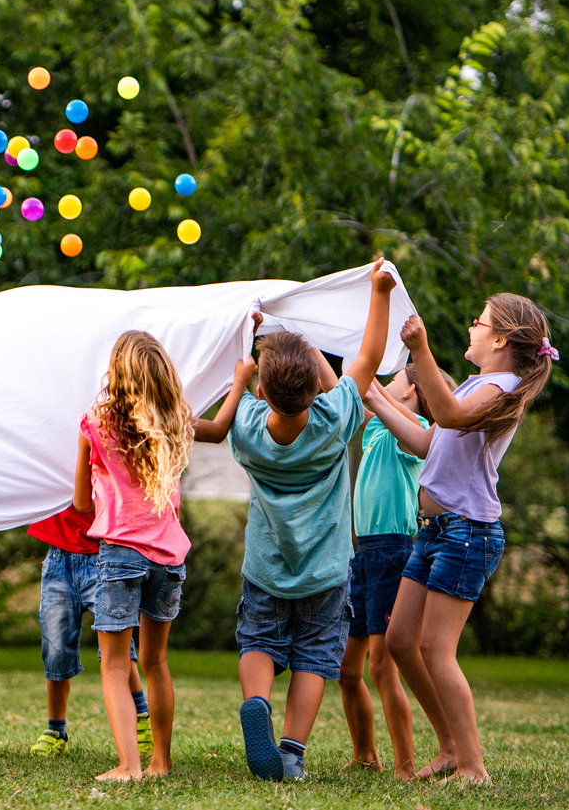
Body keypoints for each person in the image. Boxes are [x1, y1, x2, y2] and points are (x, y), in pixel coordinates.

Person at [373, 294, 556, 784]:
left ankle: (473, 766)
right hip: (434, 531)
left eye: (479, 321)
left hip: (467, 532)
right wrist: (371, 393)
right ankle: (450, 748)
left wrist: (420, 350)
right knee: (400, 641)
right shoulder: (480, 383)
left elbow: (449, 415)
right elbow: (426, 439)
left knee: (435, 648)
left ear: (499, 339)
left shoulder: (502, 388)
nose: (471, 326)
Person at [230, 259, 395, 782]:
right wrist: (379, 291)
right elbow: (365, 359)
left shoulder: (247, 428)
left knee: (258, 641)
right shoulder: (331, 421)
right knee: (316, 656)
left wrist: (246, 337)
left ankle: (257, 701)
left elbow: (241, 388)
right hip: (325, 571)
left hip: (266, 568)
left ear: (262, 390)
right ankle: (292, 751)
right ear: (314, 391)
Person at [77, 330, 256, 781]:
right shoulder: (175, 422)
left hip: (120, 555)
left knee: (116, 665)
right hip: (168, 559)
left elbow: (81, 504)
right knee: (155, 662)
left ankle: (129, 766)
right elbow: (216, 431)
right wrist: (240, 381)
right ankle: (160, 761)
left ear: (118, 376)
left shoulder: (96, 426)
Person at [338, 365, 455, 780]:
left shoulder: (418, 427)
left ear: (411, 394)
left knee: (383, 667)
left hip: (393, 551)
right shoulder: (374, 431)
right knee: (347, 670)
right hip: (364, 554)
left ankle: (405, 767)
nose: (383, 387)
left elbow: (373, 392)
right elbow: (344, 383)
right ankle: (366, 754)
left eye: (393, 383)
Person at [26, 505, 150, 758]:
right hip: (58, 559)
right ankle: (55, 731)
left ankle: (141, 718)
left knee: (118, 647)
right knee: (55, 648)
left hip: (106, 557)